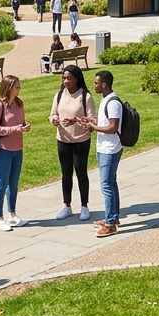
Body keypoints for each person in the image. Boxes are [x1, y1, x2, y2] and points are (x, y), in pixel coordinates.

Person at [49, 65, 95, 222]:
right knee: (66, 174)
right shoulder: (59, 95)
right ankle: (67, 205)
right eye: (64, 78)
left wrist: (75, 120)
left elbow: (92, 121)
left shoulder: (85, 97)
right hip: (63, 140)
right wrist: (54, 120)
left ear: (77, 79)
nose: (66, 81)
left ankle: (84, 206)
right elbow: (53, 113)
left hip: (80, 140)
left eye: (69, 78)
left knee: (81, 172)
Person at [83, 69, 124, 237]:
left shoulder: (113, 102)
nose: (95, 85)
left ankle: (110, 223)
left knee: (106, 185)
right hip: (104, 147)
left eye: (96, 83)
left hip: (110, 149)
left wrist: (93, 127)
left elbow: (113, 127)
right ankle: (112, 218)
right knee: (110, 183)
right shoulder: (105, 100)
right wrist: (91, 122)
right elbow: (105, 123)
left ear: (104, 84)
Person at [0, 75, 30, 231]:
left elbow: (20, 122)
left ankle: (12, 215)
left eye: (19, 86)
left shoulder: (19, 103)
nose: (19, 89)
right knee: (2, 184)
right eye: (17, 87)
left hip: (18, 149)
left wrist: (24, 126)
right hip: (3, 150)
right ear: (8, 88)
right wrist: (15, 129)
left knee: (14, 184)